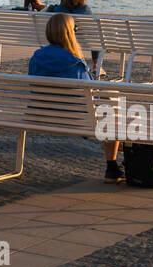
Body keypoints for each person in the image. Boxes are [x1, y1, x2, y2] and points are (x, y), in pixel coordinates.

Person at [28, 13, 124, 183]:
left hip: (38, 116)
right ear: (69, 34)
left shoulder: (36, 57)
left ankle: (115, 147)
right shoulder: (75, 63)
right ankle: (111, 167)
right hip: (77, 120)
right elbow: (91, 94)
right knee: (112, 106)